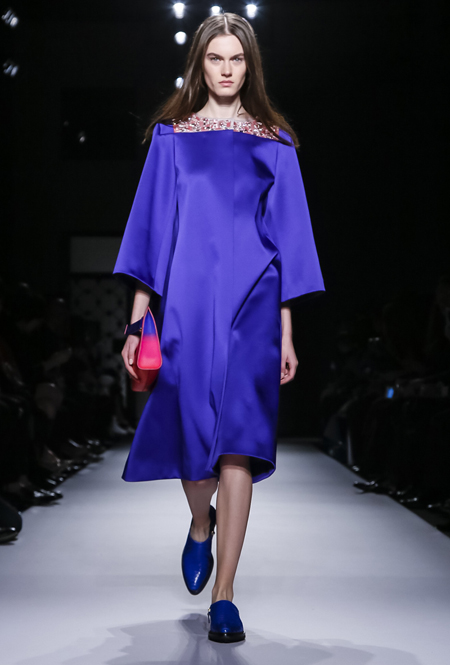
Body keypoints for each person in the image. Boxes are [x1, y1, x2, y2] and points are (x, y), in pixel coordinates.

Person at [113, 12, 325, 643]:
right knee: (194, 439)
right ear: (199, 65)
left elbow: (287, 242)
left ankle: (225, 595)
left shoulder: (276, 142)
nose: (227, 69)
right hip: (186, 305)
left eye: (237, 59)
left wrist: (286, 332)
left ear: (249, 65)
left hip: (254, 307)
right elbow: (151, 234)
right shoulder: (172, 138)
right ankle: (200, 522)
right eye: (216, 58)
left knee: (240, 443)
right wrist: (135, 325)